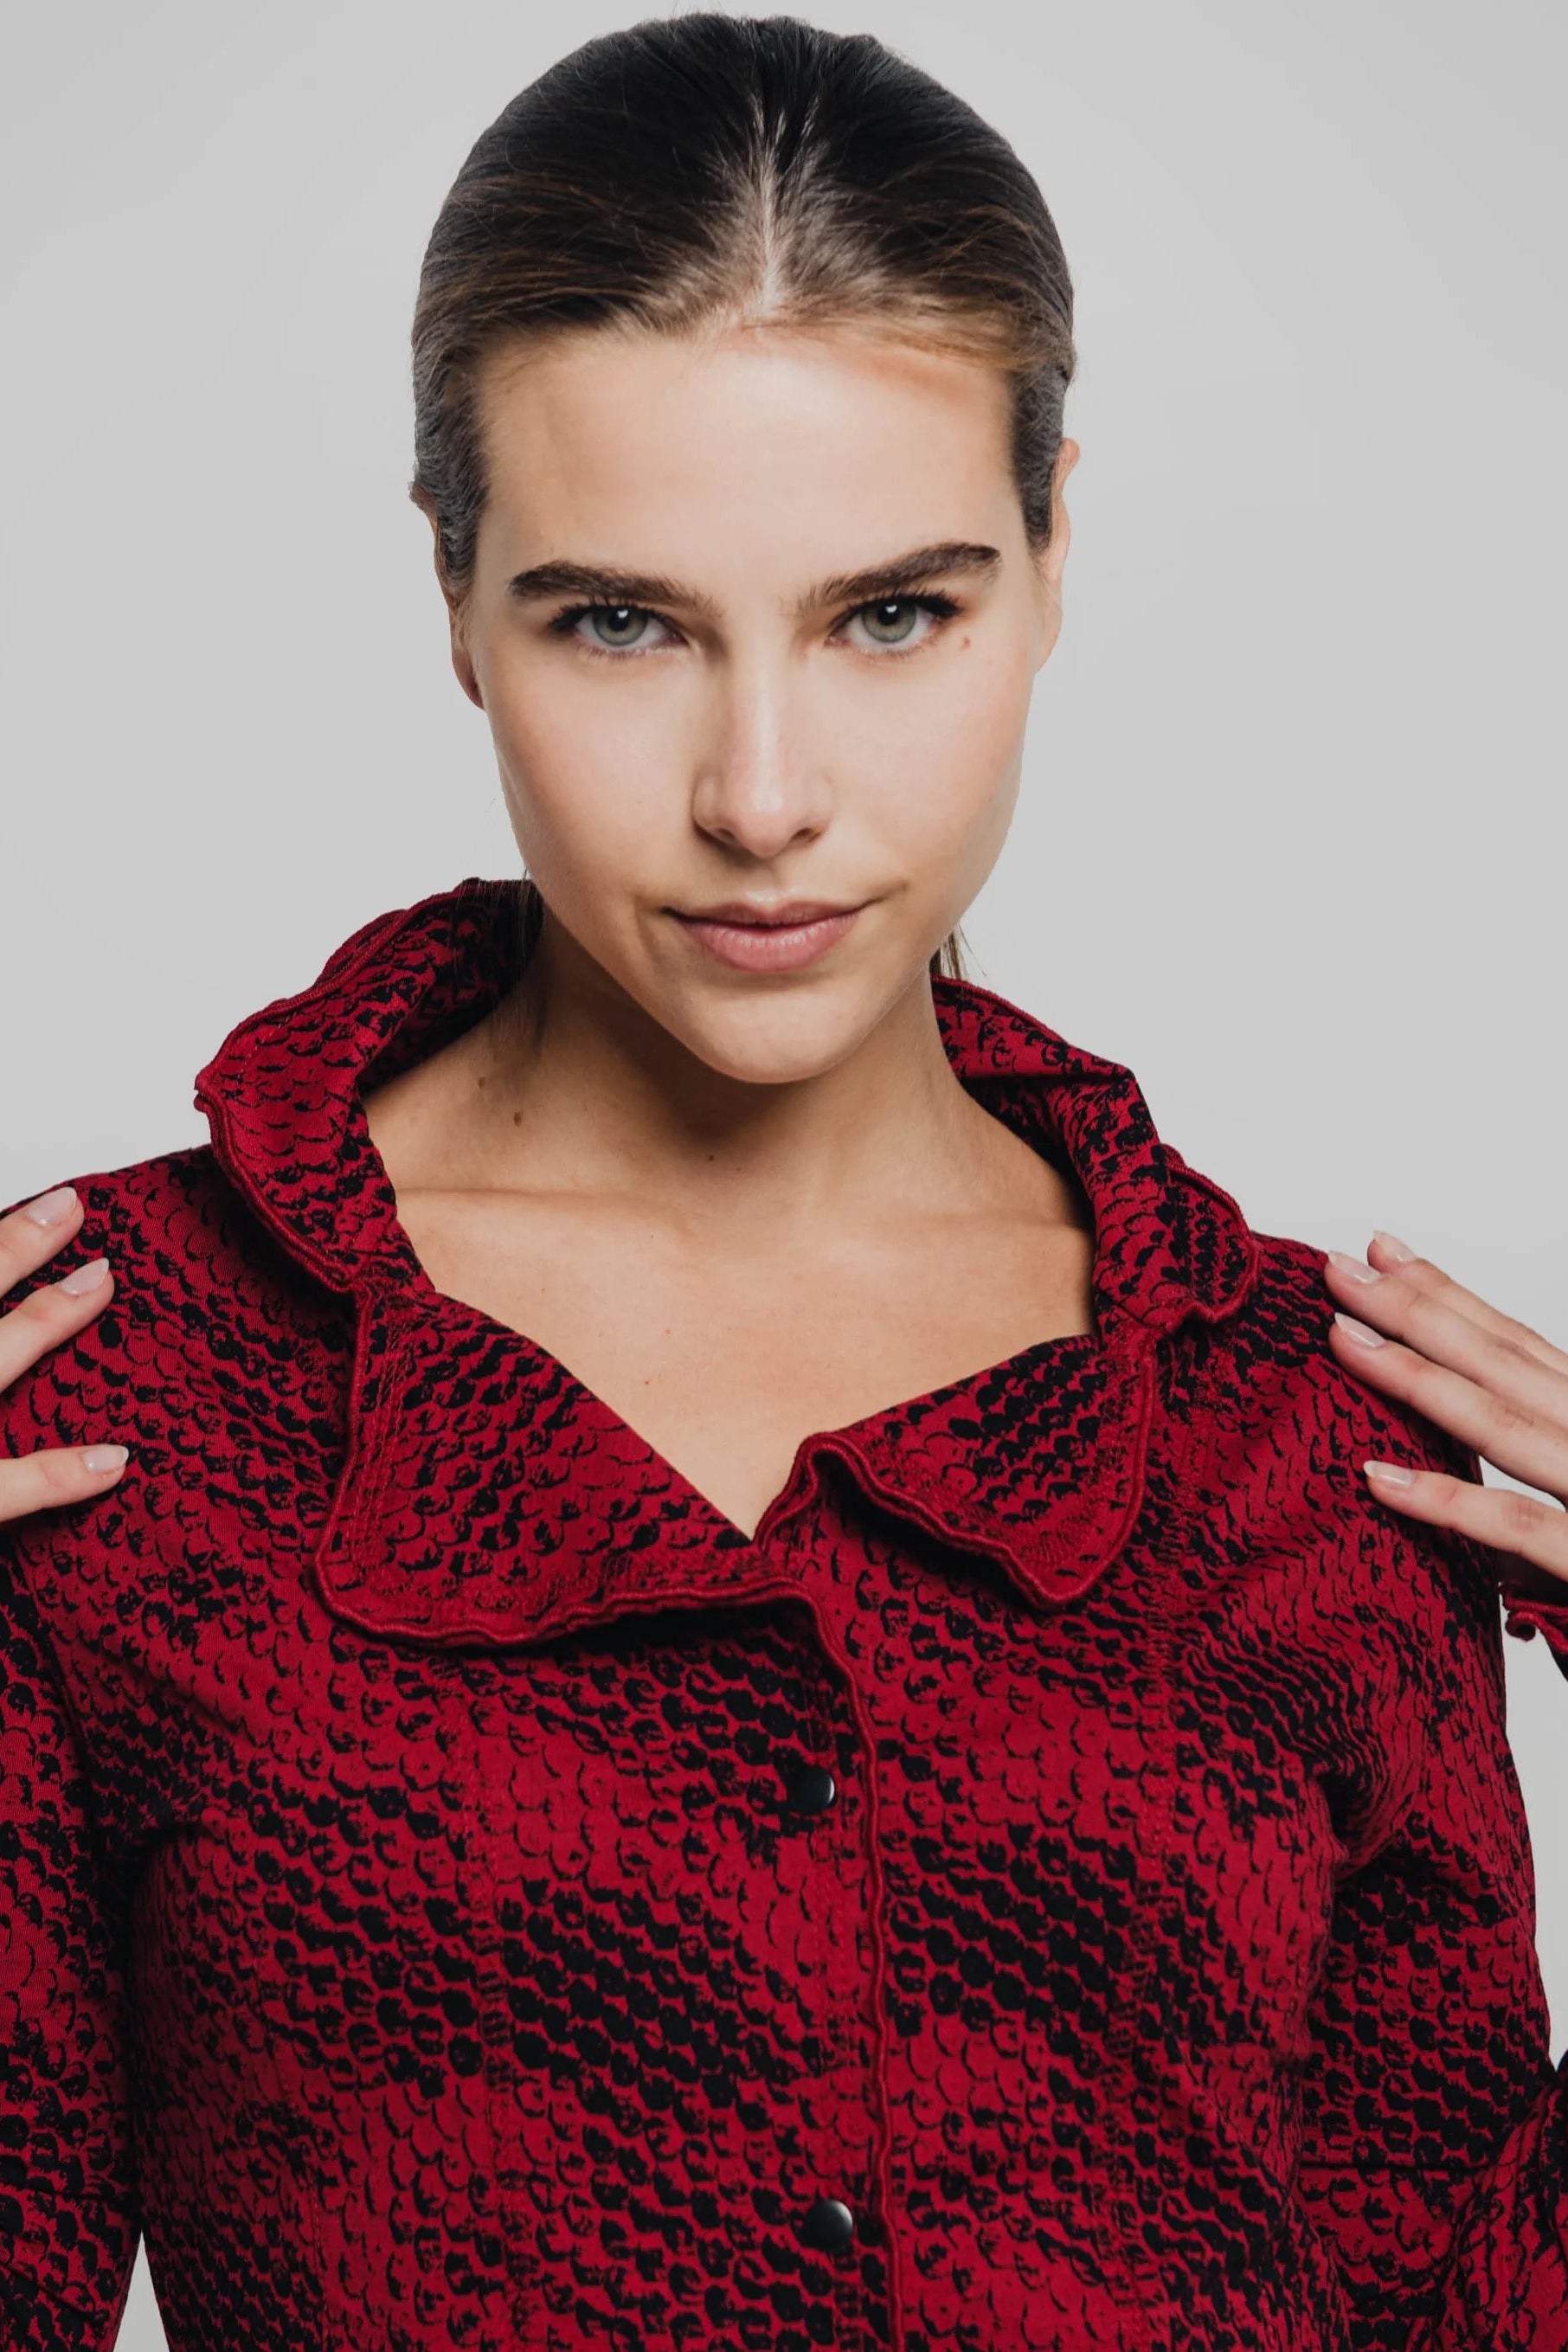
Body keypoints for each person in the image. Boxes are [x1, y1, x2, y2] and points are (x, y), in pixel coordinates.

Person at [2, 16, 1565, 2350]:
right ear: (455, 593)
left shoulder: (1300, 1437)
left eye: (891, 613)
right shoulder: (116, 1399)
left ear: (1050, 562)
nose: (760, 793)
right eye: (617, 620)